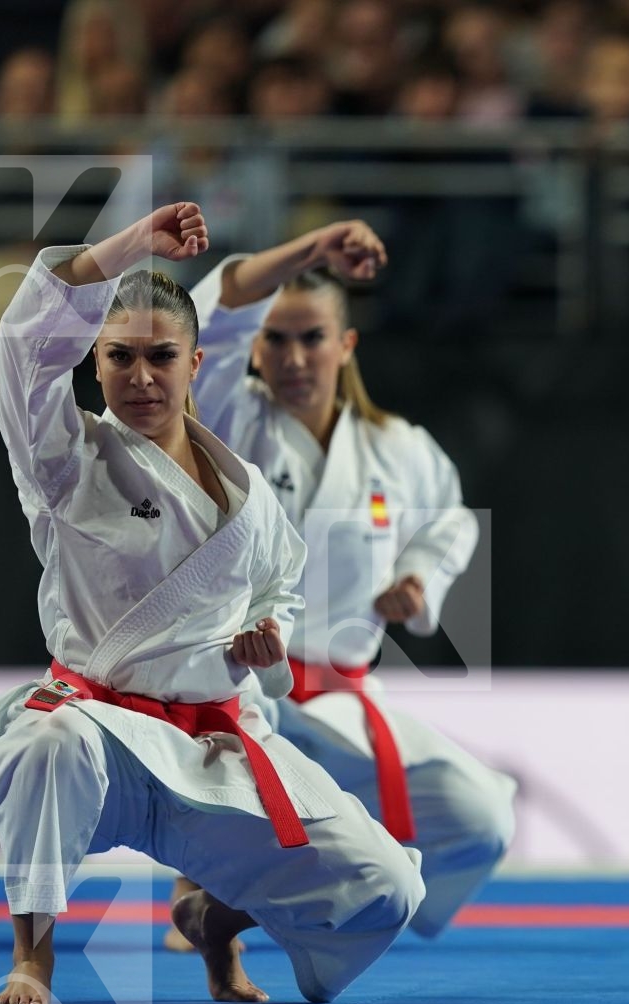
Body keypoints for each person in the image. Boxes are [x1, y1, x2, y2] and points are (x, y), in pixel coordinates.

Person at [0, 203, 426, 1004]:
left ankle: (213, 916)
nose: (139, 376)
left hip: (211, 748)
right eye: (119, 357)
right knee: (45, 740)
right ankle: (34, 956)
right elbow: (25, 345)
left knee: (387, 889)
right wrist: (130, 243)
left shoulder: (248, 496)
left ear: (196, 361)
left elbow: (279, 584)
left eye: (159, 357)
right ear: (93, 363)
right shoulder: (68, 462)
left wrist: (261, 639)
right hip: (100, 736)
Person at [163, 221, 515, 951]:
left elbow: (449, 524)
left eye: (313, 338)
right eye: (277, 341)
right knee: (261, 817)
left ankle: (246, 909)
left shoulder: (399, 448)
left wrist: (419, 580)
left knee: (482, 819)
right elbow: (221, 309)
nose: (295, 358)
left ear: (345, 345)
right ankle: (210, 886)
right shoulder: (231, 425)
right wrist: (313, 249)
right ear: (253, 350)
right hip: (240, 699)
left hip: (346, 701)